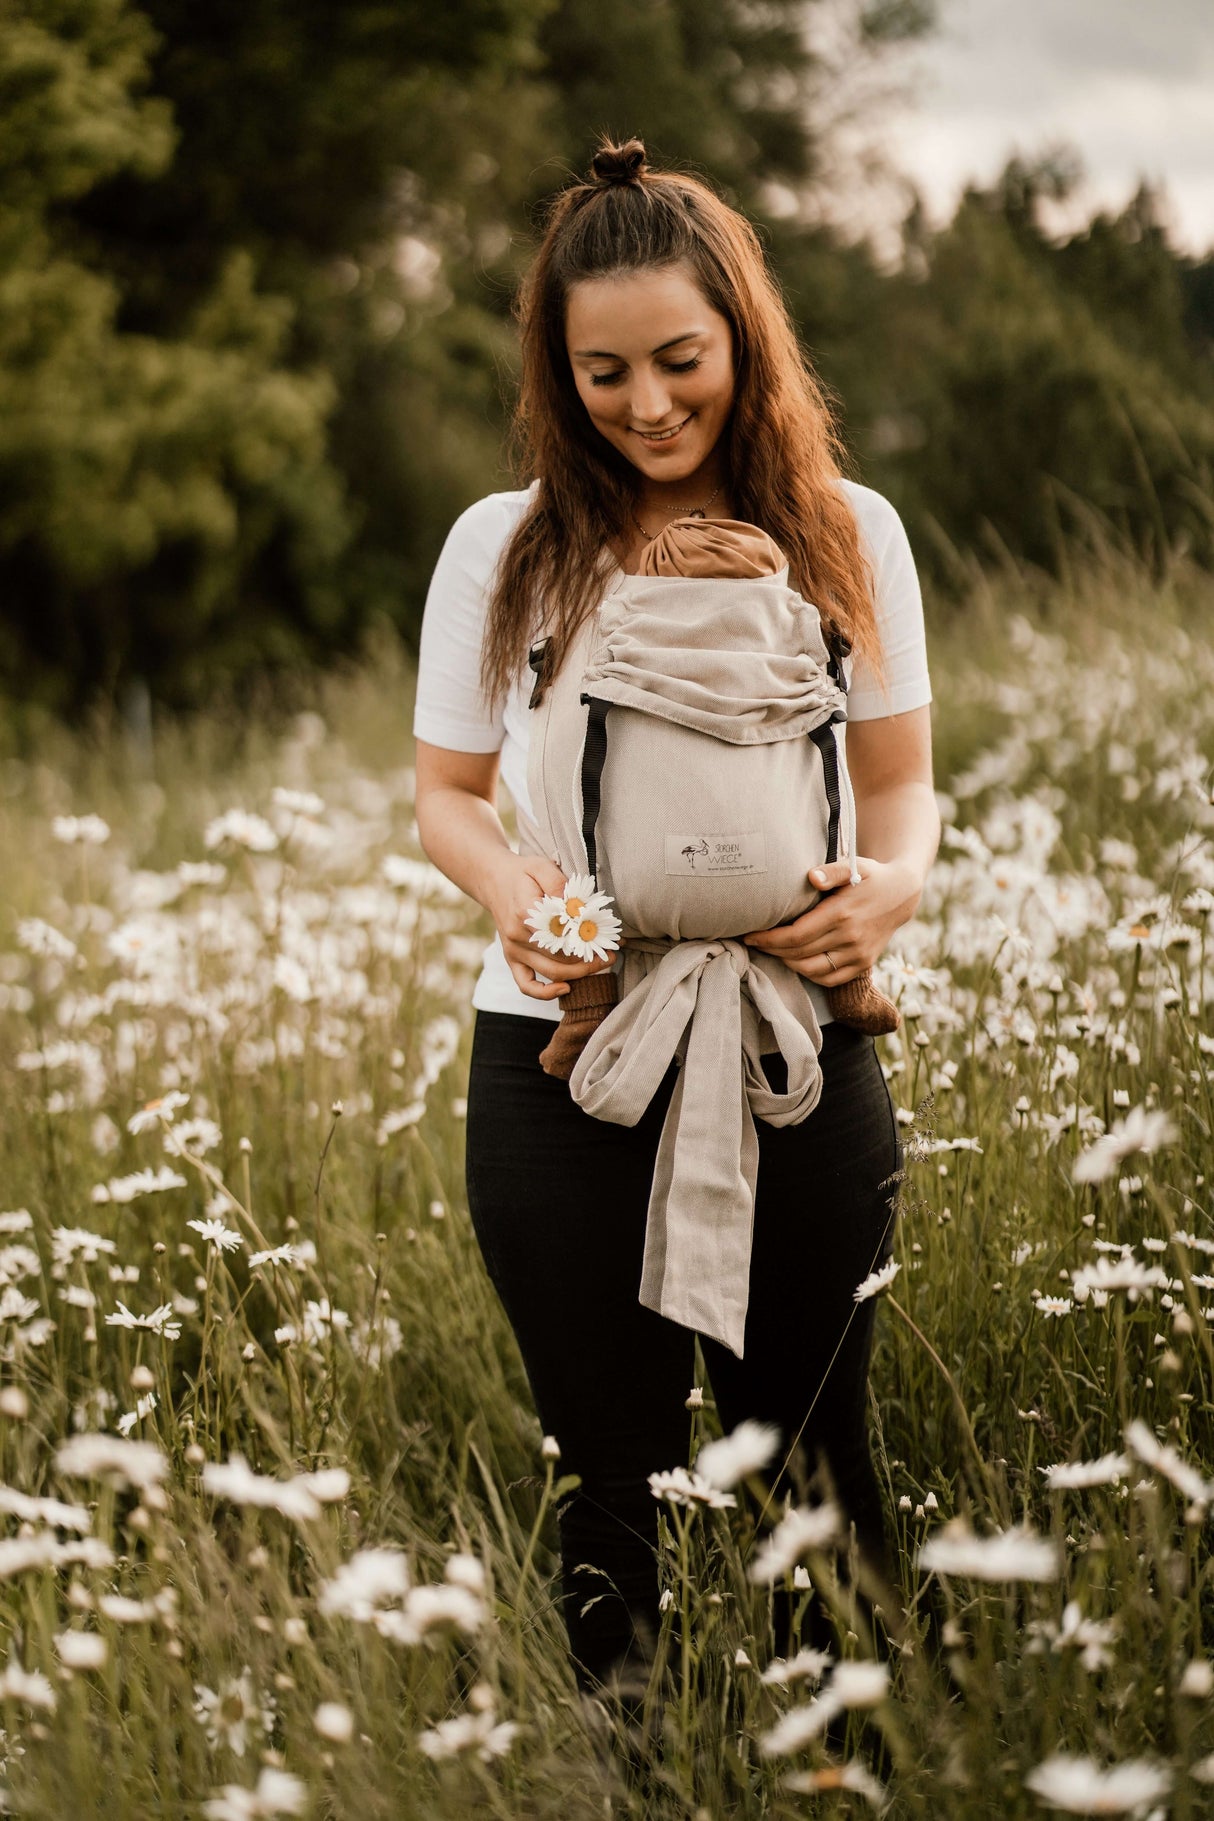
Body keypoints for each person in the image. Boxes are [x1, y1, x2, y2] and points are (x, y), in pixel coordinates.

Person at [413, 136, 939, 1719]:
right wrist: (521, 907)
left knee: (815, 1464)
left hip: (796, 1041)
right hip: (559, 1069)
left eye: (680, 361)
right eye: (602, 372)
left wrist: (889, 894)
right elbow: (445, 796)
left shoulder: (852, 529)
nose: (644, 403)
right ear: (555, 372)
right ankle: (614, 1757)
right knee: (609, 1471)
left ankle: (837, 1750)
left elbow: (901, 790)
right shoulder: (499, 549)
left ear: (743, 342)